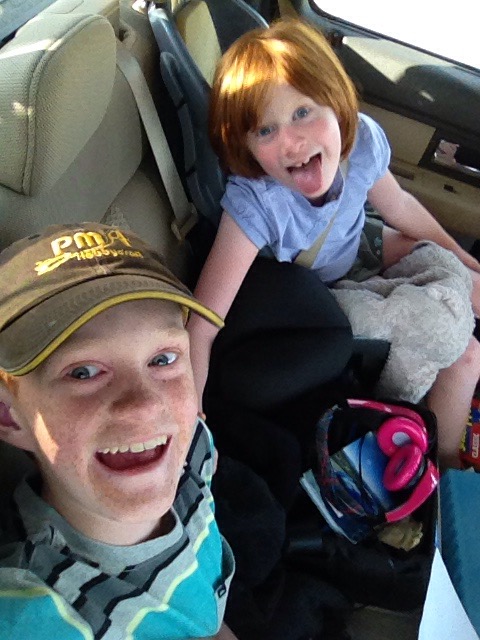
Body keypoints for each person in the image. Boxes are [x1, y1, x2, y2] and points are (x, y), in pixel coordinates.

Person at [187, 17, 480, 470]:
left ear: (334, 100)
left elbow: (399, 206)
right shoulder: (257, 204)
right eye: (265, 131)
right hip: (318, 299)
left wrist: (465, 264)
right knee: (466, 354)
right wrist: (191, 411)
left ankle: (444, 452)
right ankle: (440, 467)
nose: (291, 143)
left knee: (464, 287)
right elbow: (203, 323)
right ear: (245, 146)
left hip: (357, 248)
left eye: (302, 113)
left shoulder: (359, 141)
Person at [0, 222, 238, 640]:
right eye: (83, 372)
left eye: (163, 359)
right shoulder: (39, 614)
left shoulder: (192, 450)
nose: (145, 405)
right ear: (8, 415)